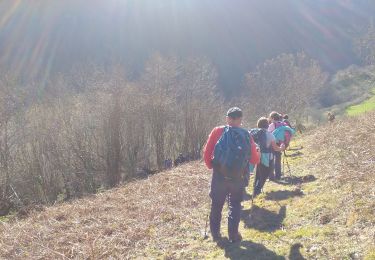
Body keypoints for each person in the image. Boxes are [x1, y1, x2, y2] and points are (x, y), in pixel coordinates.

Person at [203, 107, 260, 243]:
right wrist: (258, 153)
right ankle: (233, 236)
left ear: (227, 118)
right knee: (234, 205)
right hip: (238, 178)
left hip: (219, 176)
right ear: (240, 120)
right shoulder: (246, 135)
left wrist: (213, 167)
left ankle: (216, 235)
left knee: (216, 205)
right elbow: (254, 160)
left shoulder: (217, 131)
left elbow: (207, 154)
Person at [250, 117, 285, 197]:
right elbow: (275, 148)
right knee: (265, 173)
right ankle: (257, 191)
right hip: (266, 157)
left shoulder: (253, 133)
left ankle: (255, 190)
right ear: (267, 125)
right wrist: (282, 148)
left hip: (254, 156)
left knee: (258, 173)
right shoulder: (270, 135)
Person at [268, 111, 295, 180]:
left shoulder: (272, 125)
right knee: (278, 159)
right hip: (282, 143)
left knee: (271, 159)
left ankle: (271, 176)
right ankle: (278, 175)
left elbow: (268, 134)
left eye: (270, 118)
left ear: (272, 118)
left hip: (273, 143)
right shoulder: (284, 124)